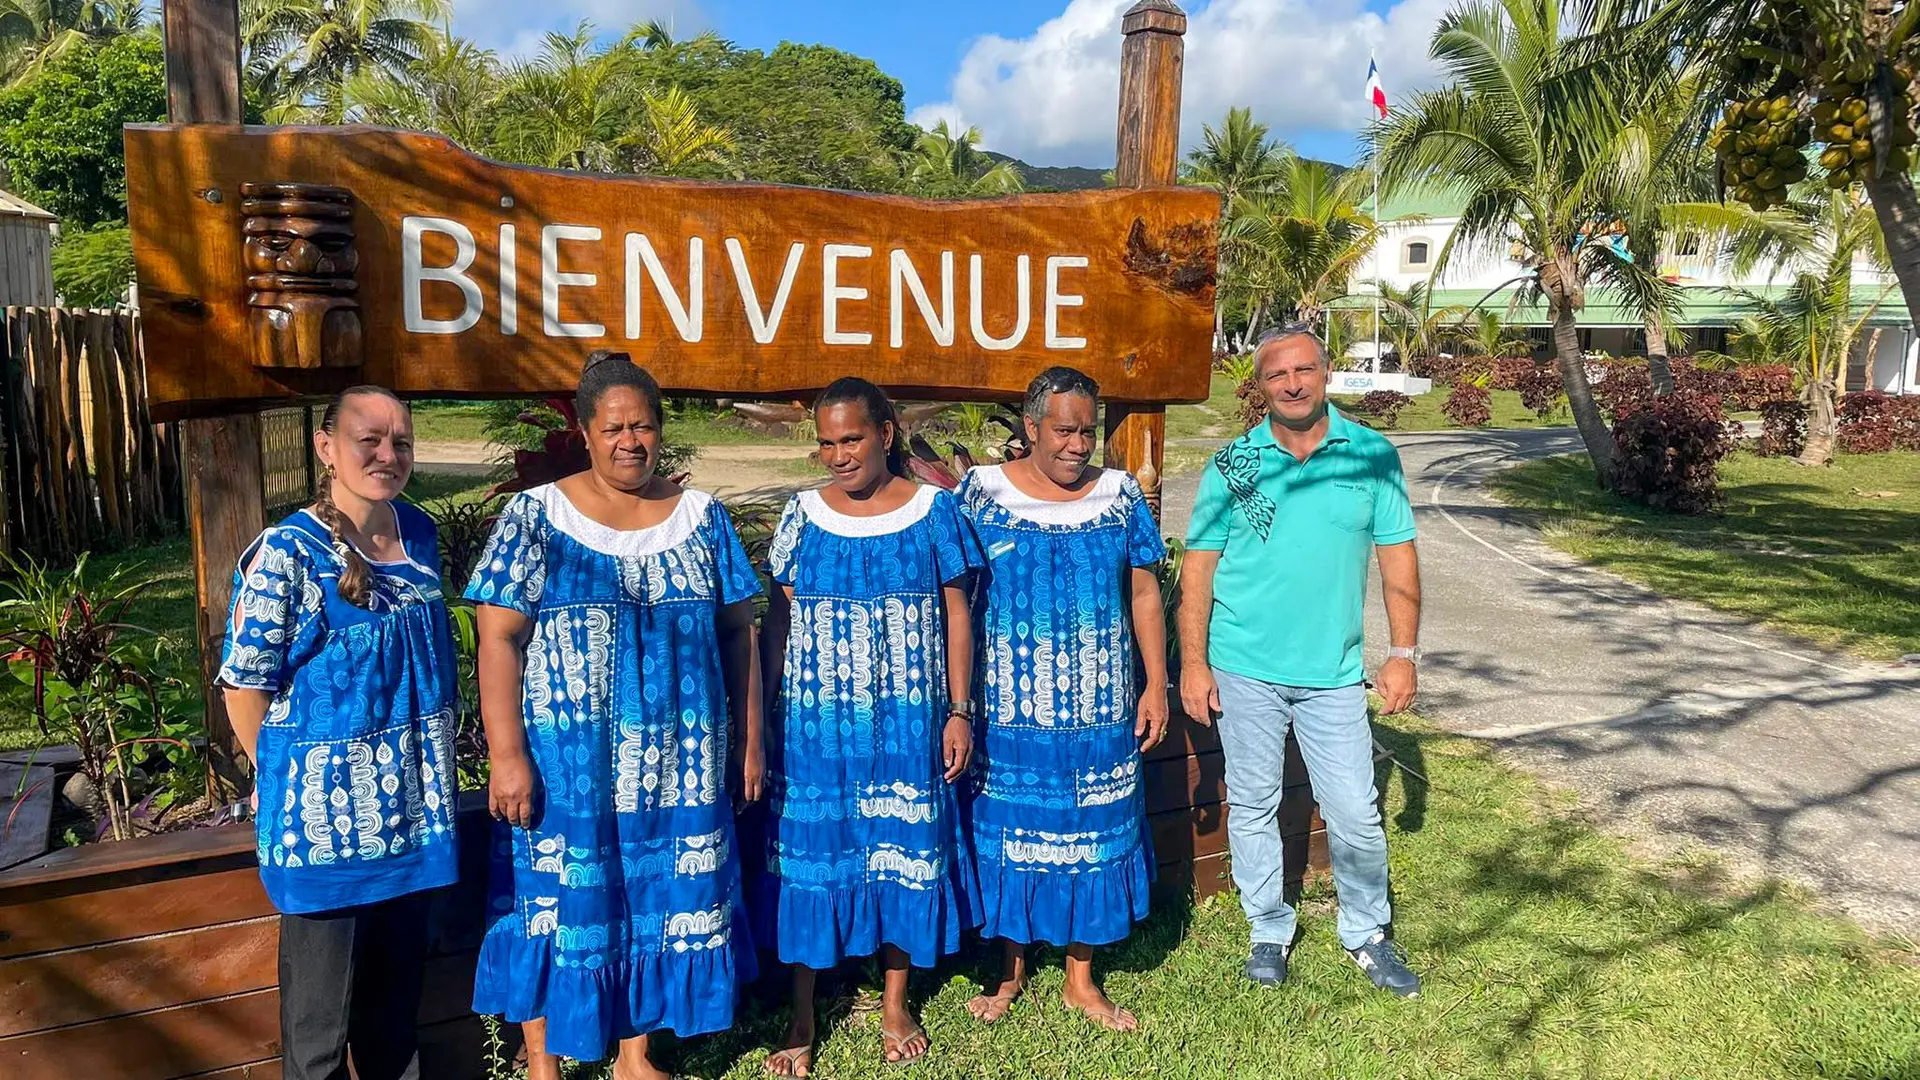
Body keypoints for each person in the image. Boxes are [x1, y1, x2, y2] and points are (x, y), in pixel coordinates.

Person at [465, 351, 764, 1080]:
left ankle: (637, 1054)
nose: (630, 441)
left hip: (680, 763)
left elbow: (738, 630)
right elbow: (498, 636)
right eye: (614, 427)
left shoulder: (701, 519)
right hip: (574, 766)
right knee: (557, 899)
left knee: (655, 899)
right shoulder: (537, 517)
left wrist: (750, 743)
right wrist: (507, 755)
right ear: (587, 431)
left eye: (644, 427)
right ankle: (544, 1064)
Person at [218, 385, 460, 1080]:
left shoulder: (417, 534)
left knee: (393, 1025)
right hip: (327, 838)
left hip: (412, 823)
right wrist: (280, 779)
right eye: (370, 440)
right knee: (319, 1038)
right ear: (327, 448)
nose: (388, 455)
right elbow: (244, 683)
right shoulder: (289, 554)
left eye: (401, 442)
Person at [1178, 327, 1424, 997]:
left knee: (1353, 810)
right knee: (1254, 803)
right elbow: (1198, 569)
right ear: (1260, 387)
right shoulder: (1232, 463)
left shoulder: (1371, 455)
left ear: (1325, 374)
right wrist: (1193, 663)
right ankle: (1268, 929)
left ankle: (1367, 932)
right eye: (1276, 374)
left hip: (1334, 673)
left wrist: (1402, 654)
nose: (1290, 383)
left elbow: (1396, 554)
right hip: (1244, 664)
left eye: (1303, 370)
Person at [757, 377, 982, 1075]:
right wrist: (761, 719)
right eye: (826, 442)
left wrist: (958, 709)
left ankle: (894, 1002)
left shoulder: (935, 512)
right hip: (815, 728)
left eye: (851, 438)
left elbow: (956, 615)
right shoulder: (800, 515)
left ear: (886, 434)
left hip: (907, 723)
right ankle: (801, 1012)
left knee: (898, 853)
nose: (837, 455)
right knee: (810, 861)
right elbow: (780, 621)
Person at [956, 366, 1169, 1032]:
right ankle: (1009, 972)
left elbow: (1142, 593)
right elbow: (955, 598)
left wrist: (1154, 682)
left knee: (1093, 838)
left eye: (1088, 431)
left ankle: (1082, 979)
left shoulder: (1119, 496)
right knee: (1011, 841)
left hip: (1099, 711)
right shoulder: (980, 495)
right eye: (1064, 430)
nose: (1078, 445)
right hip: (1008, 715)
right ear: (1030, 428)